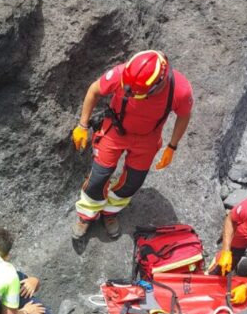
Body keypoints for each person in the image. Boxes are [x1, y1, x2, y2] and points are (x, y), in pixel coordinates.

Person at [71, 50, 194, 240]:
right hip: (115, 130)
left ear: (158, 84)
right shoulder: (123, 74)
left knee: (132, 182)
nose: (130, 92)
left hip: (147, 139)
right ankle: (87, 214)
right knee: (98, 177)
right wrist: (82, 125)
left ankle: (110, 212)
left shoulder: (180, 90)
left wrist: (172, 146)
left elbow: (184, 115)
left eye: (137, 93)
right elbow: (95, 90)